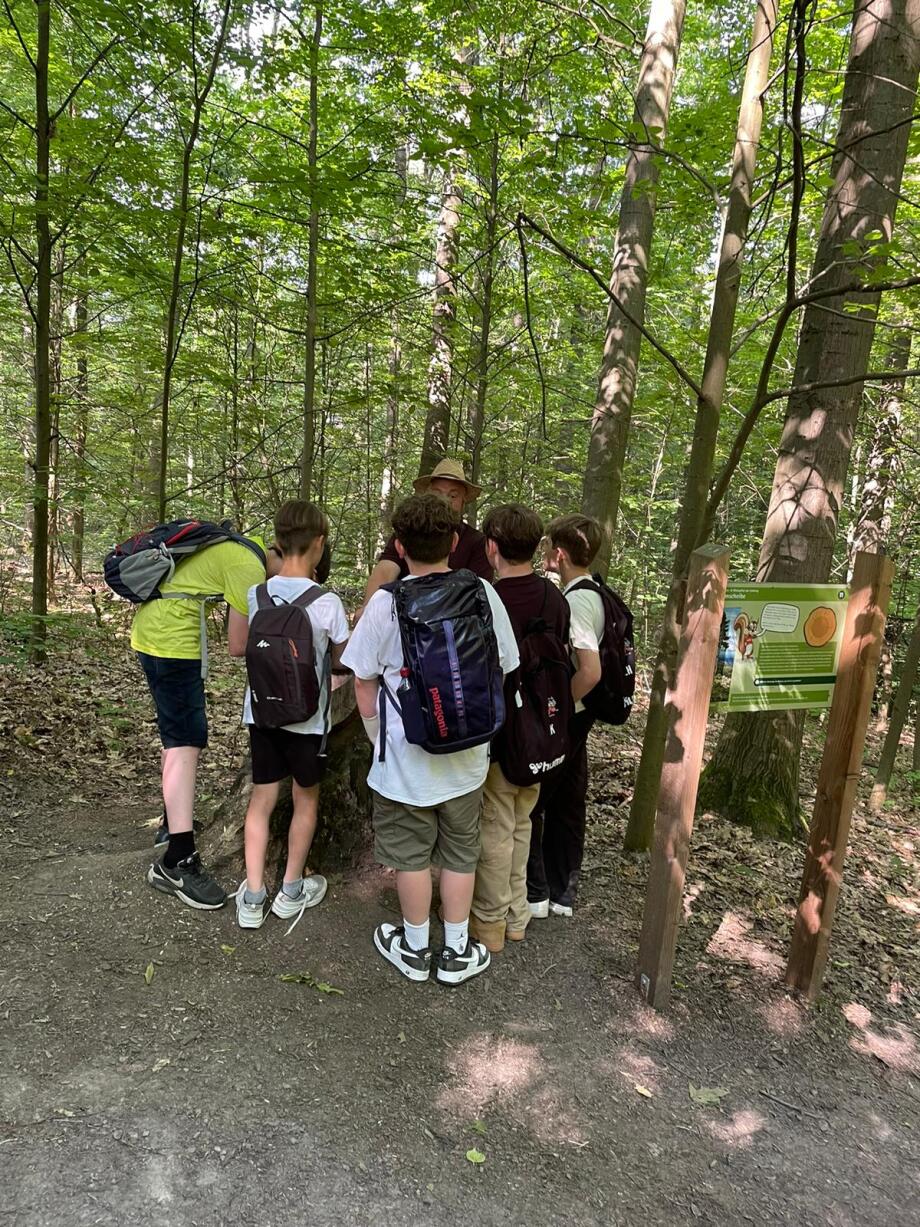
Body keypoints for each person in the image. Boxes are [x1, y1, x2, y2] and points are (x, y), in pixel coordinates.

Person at [341, 493, 519, 985]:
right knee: (462, 850)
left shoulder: (386, 602)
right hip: (467, 757)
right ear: (456, 541)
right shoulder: (483, 592)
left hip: (404, 760)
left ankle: (416, 948)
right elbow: (504, 666)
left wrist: (378, 736)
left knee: (410, 854)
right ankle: (458, 951)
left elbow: (361, 679)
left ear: (400, 547)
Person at [133, 527, 280, 909]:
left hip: (155, 632)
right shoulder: (249, 566)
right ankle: (176, 860)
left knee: (175, 739)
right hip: (173, 641)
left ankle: (171, 825)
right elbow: (237, 644)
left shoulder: (241, 548)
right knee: (185, 743)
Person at [232, 500, 349, 930]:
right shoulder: (327, 602)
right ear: (319, 544)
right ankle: (291, 889)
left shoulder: (255, 594)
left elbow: (240, 647)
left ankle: (252, 894)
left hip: (260, 714)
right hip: (307, 720)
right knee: (305, 798)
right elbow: (342, 661)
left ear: (278, 543)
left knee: (261, 800)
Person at [470, 504, 570, 953]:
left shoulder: (486, 600)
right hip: (544, 733)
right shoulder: (556, 600)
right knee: (522, 822)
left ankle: (490, 924)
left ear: (492, 548)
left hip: (502, 735)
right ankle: (517, 916)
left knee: (495, 826)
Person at [527, 513, 604, 919]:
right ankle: (561, 891)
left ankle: (537, 892)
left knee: (536, 799)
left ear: (559, 554)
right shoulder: (595, 592)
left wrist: (558, 711)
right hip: (581, 714)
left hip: (571, 715)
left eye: (547, 548)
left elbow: (590, 670)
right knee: (570, 800)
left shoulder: (576, 602)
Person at [357, 459, 491, 616]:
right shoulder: (410, 529)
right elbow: (386, 568)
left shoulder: (477, 542)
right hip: (405, 618)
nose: (445, 500)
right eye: (437, 493)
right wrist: (369, 608)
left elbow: (477, 593)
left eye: (453, 496)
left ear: (463, 502)